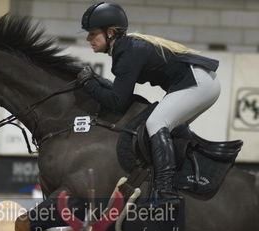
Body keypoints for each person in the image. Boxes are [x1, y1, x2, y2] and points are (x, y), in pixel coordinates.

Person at [77, 2, 221, 205]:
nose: (88, 39)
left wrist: (89, 84)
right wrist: (95, 82)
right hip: (202, 81)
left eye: (92, 33)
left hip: (199, 83)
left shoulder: (126, 52)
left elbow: (118, 102)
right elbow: (120, 94)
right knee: (170, 127)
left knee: (155, 123)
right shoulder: (126, 47)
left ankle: (164, 191)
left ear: (110, 33)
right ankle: (189, 175)